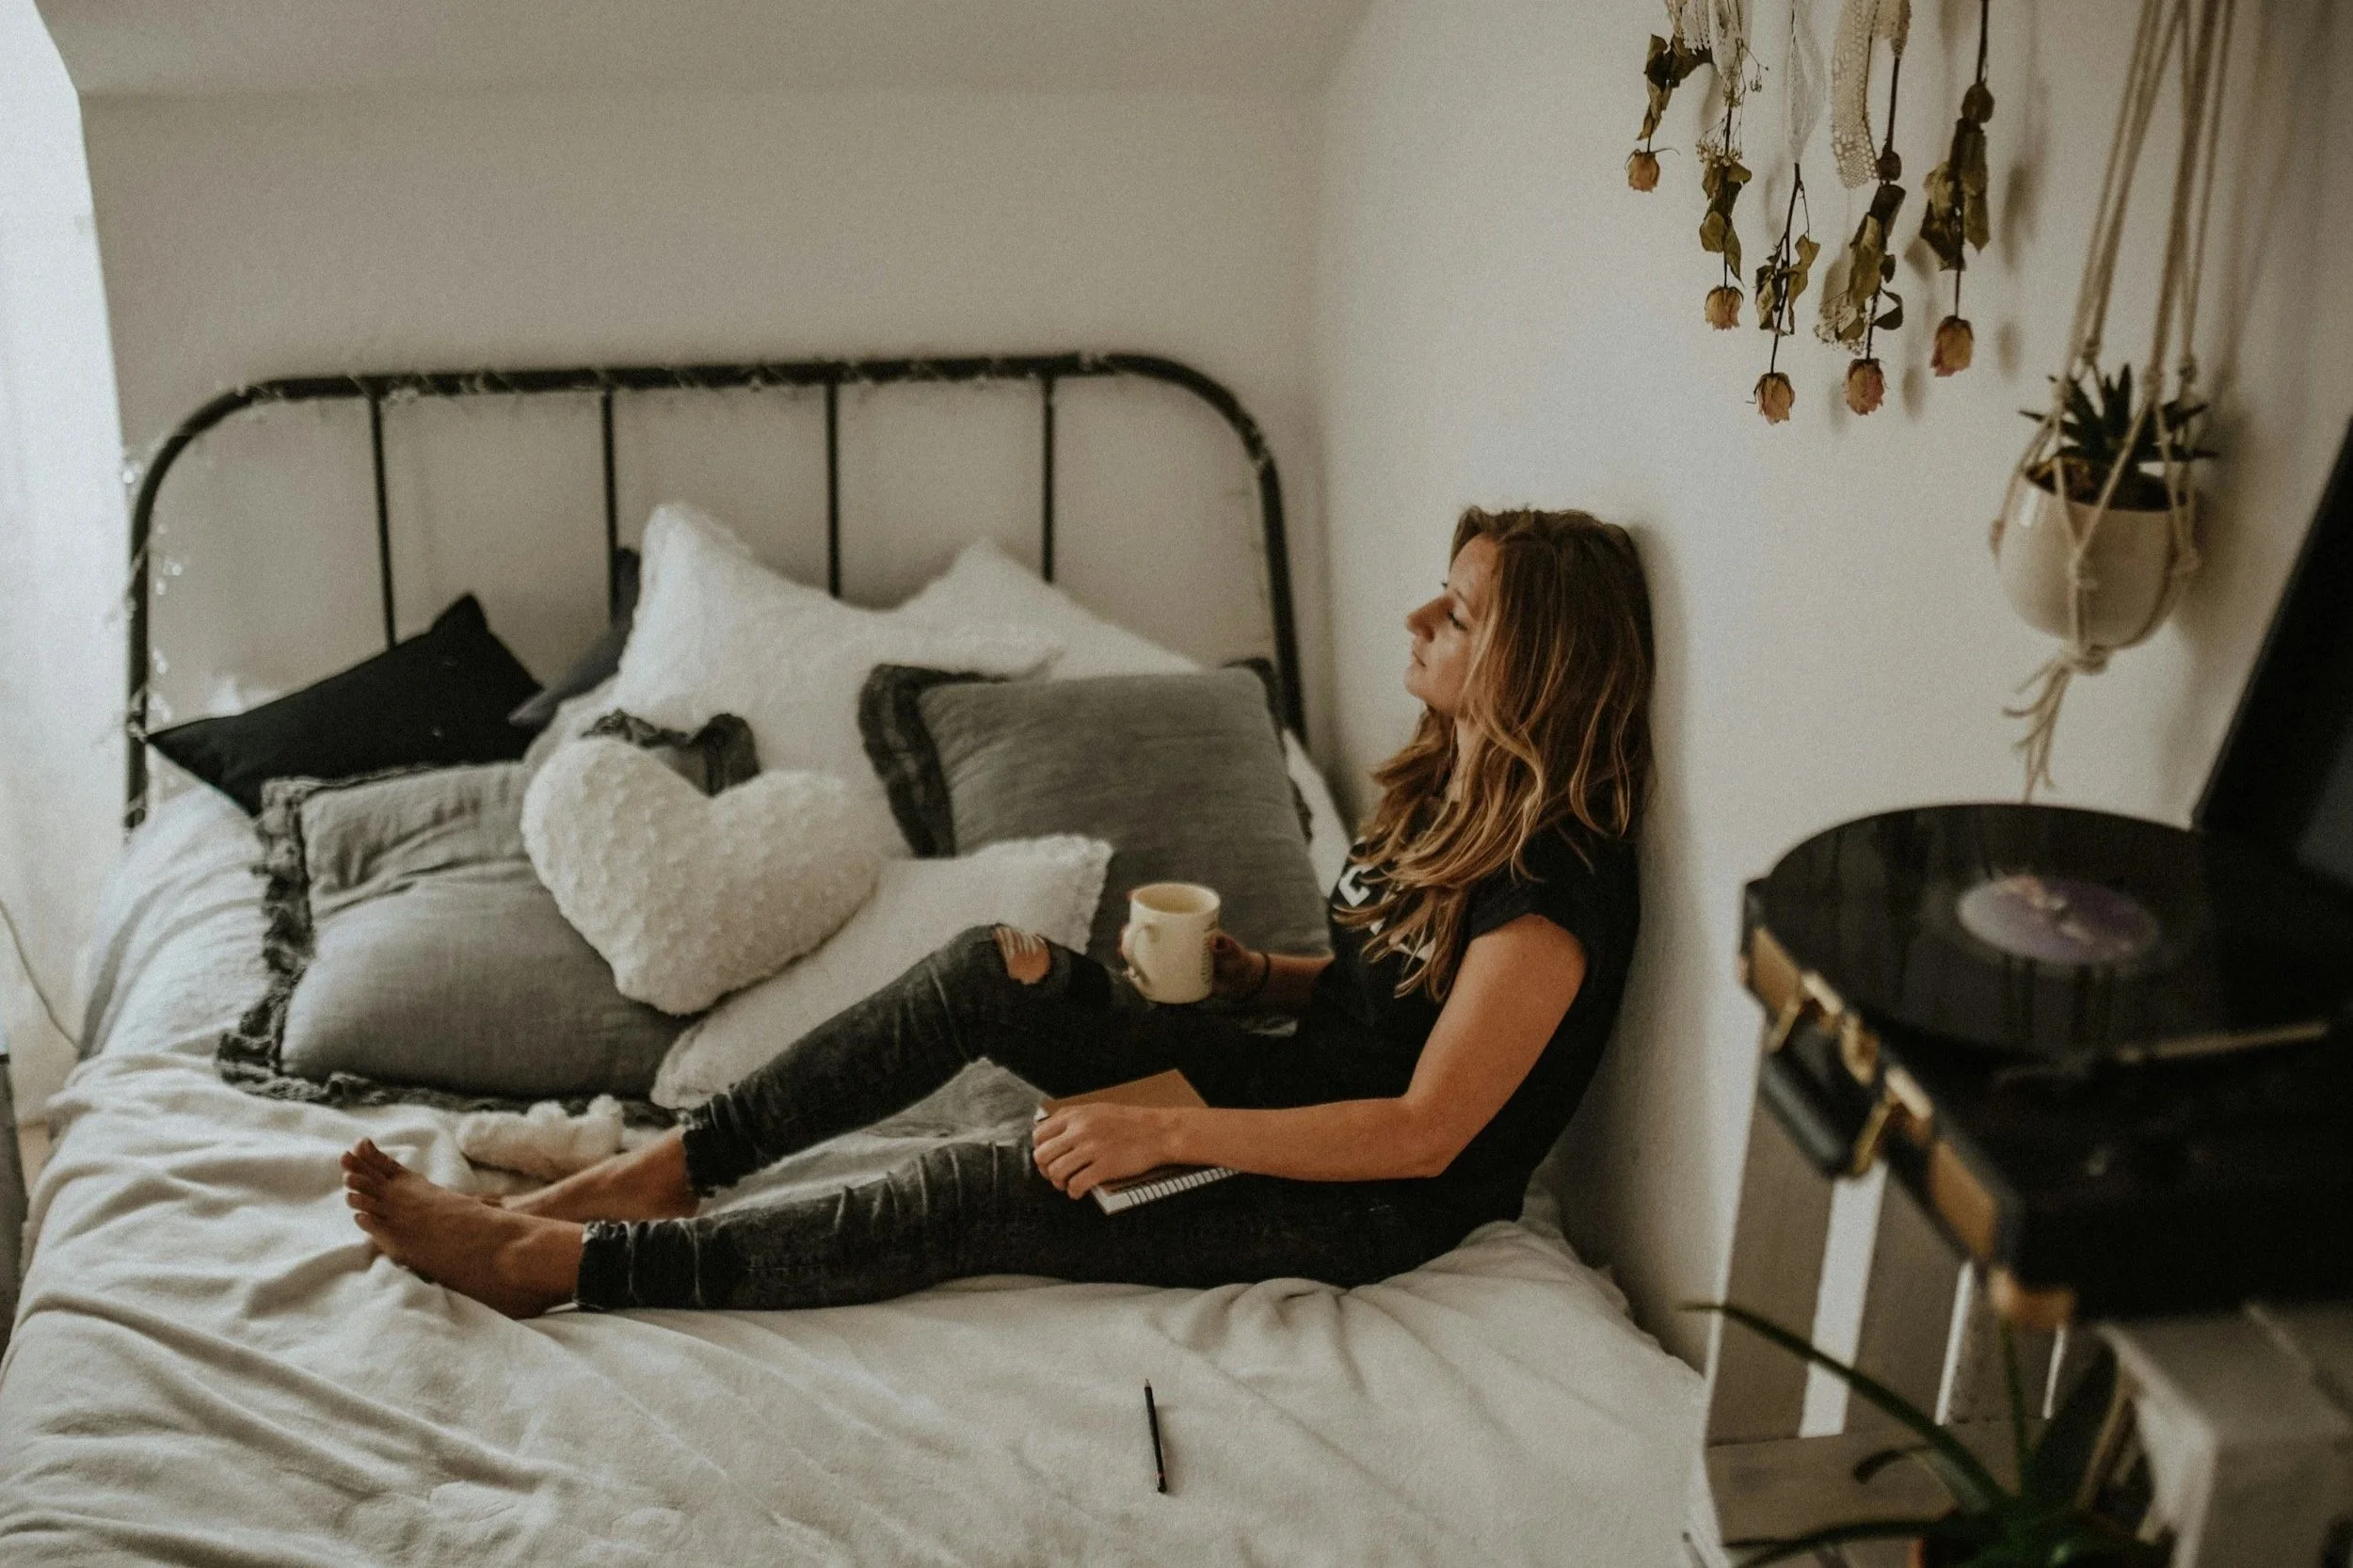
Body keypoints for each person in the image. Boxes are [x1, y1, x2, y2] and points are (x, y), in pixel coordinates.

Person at [343, 507, 1656, 1319]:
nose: (1420, 614)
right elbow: (1392, 1002)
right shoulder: (1446, 794)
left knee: (991, 1181)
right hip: (1274, 1090)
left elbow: (1425, 1132)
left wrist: (1155, 1125)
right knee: (996, 971)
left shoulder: (1557, 889)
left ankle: (565, 1269)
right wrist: (1268, 976)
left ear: (1530, 665)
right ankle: (662, 1171)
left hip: (1360, 1199)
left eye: (1461, 610)